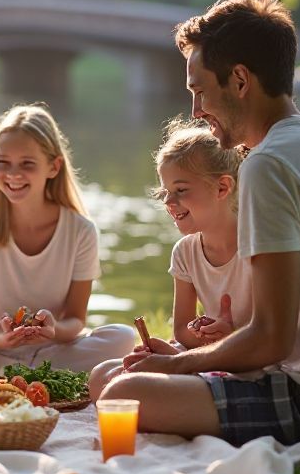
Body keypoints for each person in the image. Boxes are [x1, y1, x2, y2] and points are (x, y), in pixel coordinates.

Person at [96, 0, 300, 446]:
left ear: (240, 80)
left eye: (199, 90)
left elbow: (271, 340)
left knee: (123, 392)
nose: (195, 110)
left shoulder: (269, 163)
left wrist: (176, 364)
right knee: (106, 381)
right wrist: (192, 355)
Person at [0, 104, 134, 388]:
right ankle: (42, 379)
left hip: (54, 349)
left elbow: (75, 319)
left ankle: (16, 378)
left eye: (27, 164)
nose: (13, 174)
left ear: (53, 167)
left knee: (123, 338)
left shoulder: (81, 230)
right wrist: (1, 338)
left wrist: (53, 331)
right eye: (4, 163)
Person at [89, 119, 251, 397]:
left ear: (222, 188)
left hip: (245, 363)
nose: (168, 202)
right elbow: (182, 331)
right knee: (101, 376)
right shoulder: (185, 252)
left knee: (124, 390)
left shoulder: (256, 247)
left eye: (181, 190)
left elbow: (271, 337)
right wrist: (186, 342)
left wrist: (227, 335)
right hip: (200, 358)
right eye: (165, 192)